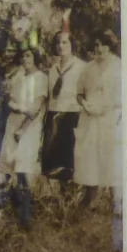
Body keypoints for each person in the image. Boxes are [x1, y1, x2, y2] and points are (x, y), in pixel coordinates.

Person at [0, 47, 48, 227]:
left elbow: (35, 109)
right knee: (8, 166)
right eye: (23, 55)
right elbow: (9, 101)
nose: (25, 59)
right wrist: (13, 107)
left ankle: (25, 215)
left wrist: (22, 127)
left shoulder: (41, 78)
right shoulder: (18, 77)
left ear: (35, 58)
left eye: (29, 55)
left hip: (29, 126)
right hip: (13, 123)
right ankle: (4, 209)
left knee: (24, 167)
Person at [73, 30, 122, 209]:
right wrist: (85, 104)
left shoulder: (119, 67)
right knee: (89, 158)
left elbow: (124, 96)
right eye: (96, 45)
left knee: (111, 157)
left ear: (110, 46)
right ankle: (89, 198)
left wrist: (106, 107)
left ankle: (117, 201)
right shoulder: (88, 68)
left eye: (103, 44)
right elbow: (79, 94)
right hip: (90, 119)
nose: (99, 48)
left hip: (111, 119)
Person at [42, 31, 85, 184]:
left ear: (72, 44)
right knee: (53, 162)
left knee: (69, 161)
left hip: (72, 116)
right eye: (58, 42)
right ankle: (59, 199)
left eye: (65, 42)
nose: (60, 46)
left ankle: (71, 196)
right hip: (54, 115)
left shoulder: (81, 67)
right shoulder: (53, 69)